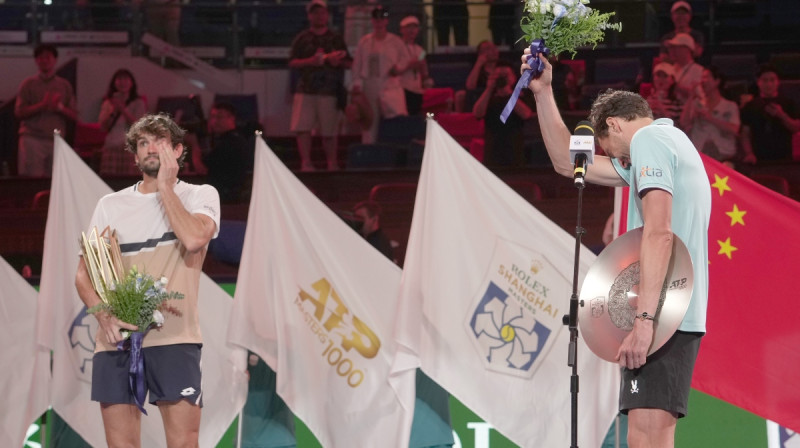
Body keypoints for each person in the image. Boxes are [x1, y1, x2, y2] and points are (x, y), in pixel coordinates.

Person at [521, 51, 710, 448]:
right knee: (646, 436)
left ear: (613, 124)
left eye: (607, 148)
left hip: (662, 314)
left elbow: (658, 233)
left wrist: (644, 321)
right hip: (668, 311)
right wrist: (543, 92)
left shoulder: (649, 140)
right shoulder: (668, 142)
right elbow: (568, 163)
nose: (614, 159)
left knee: (646, 437)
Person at [75, 113, 220, 448]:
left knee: (183, 443)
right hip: (116, 340)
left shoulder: (200, 195)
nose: (151, 148)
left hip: (175, 338)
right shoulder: (110, 205)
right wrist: (104, 315)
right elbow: (84, 274)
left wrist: (166, 187)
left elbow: (194, 239)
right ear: (135, 156)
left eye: (160, 141)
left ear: (178, 150)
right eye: (143, 143)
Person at [289, 0, 351, 171]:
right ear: (309, 16)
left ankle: (332, 163)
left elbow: (348, 62)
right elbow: (292, 62)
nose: (320, 16)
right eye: (316, 13)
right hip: (306, 89)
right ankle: (306, 162)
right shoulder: (302, 38)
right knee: (303, 128)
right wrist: (310, 61)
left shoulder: (336, 38)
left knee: (329, 130)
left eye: (323, 12)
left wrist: (336, 61)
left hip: (329, 91)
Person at [14, 44, 78, 177]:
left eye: (48, 57)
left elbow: (75, 115)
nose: (44, 60)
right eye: (40, 57)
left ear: (55, 60)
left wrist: (59, 107)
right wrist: (41, 105)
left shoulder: (64, 85)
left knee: (57, 181)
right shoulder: (28, 84)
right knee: (32, 181)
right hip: (32, 139)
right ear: (36, 61)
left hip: (57, 139)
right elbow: (19, 112)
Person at [351, 6, 408, 144]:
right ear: (372, 20)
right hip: (370, 84)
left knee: (395, 120)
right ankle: (369, 151)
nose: (379, 21)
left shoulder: (395, 41)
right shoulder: (364, 41)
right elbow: (357, 64)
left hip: (390, 84)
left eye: (382, 18)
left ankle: (396, 150)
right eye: (376, 18)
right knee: (370, 122)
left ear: (386, 21)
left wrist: (398, 68)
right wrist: (357, 83)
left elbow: (405, 59)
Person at [473, 64, 533, 166]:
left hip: (514, 148)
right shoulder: (487, 97)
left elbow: (526, 114)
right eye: (497, 75)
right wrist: (489, 89)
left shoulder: (521, 95)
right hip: (492, 149)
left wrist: (508, 93)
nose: (501, 78)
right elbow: (477, 113)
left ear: (513, 78)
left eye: (505, 75)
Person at [740, 64, 800, 164]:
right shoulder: (750, 106)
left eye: (772, 80)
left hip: (784, 157)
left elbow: (796, 128)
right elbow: (745, 133)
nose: (769, 84)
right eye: (765, 80)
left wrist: (781, 115)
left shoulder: (789, 103)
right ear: (758, 82)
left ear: (778, 82)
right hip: (758, 158)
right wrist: (749, 153)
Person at [680, 67, 740, 162]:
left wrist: (710, 118)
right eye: (701, 78)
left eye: (706, 77)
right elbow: (684, 122)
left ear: (717, 81)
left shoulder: (730, 106)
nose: (702, 81)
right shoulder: (696, 104)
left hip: (724, 155)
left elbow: (734, 129)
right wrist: (691, 96)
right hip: (699, 155)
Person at [98, 69, 147, 176]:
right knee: (111, 180)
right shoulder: (108, 103)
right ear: (114, 83)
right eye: (119, 79)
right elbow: (103, 127)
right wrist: (113, 111)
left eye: (126, 79)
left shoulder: (138, 103)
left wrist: (123, 110)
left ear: (132, 83)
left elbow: (139, 127)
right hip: (111, 146)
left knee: (130, 180)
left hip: (130, 147)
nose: (122, 82)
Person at [204, 102, 249, 203]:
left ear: (231, 118)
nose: (215, 121)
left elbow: (202, 169)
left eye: (219, 117)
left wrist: (194, 145)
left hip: (226, 198)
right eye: (212, 117)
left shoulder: (230, 142)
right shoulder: (231, 138)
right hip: (225, 195)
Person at [398, 15, 431, 116]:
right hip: (402, 88)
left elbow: (424, 71)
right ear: (402, 30)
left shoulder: (420, 50)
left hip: (416, 90)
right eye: (409, 27)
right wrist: (408, 65)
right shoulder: (396, 47)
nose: (412, 30)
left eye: (415, 27)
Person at [455, 40, 500, 112]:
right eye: (488, 49)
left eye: (494, 48)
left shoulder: (505, 65)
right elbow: (470, 87)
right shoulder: (477, 69)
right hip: (481, 97)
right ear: (480, 54)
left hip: (500, 94)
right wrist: (478, 64)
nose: (493, 51)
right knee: (460, 95)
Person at [665, 33, 703, 105]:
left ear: (687, 49)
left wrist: (678, 88)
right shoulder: (669, 69)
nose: (670, 51)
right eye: (670, 48)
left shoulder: (698, 71)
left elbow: (701, 99)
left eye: (675, 47)